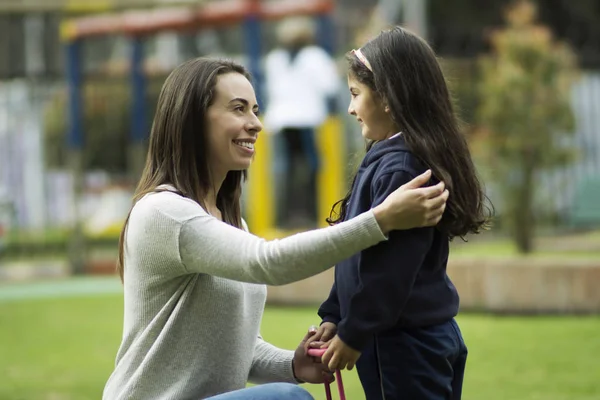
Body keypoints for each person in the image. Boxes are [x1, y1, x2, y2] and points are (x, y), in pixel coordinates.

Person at [102, 57, 449, 400]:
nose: (255, 123)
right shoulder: (165, 213)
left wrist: (294, 366)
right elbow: (268, 261)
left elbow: (237, 348)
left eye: (255, 110)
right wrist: (381, 219)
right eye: (238, 109)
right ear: (192, 122)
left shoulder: (230, 222)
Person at [306, 27, 492, 400]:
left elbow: (392, 268)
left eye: (356, 95)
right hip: (416, 338)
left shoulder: (401, 169)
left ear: (388, 97)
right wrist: (333, 315)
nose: (350, 109)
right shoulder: (391, 157)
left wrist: (354, 331)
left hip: (402, 346)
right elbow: (359, 254)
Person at [263, 16, 340, 228]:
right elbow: (330, 88)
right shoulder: (316, 57)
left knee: (284, 170)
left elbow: (271, 90)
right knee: (313, 167)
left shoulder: (274, 58)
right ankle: (313, 215)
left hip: (280, 121)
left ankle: (284, 218)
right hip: (309, 119)